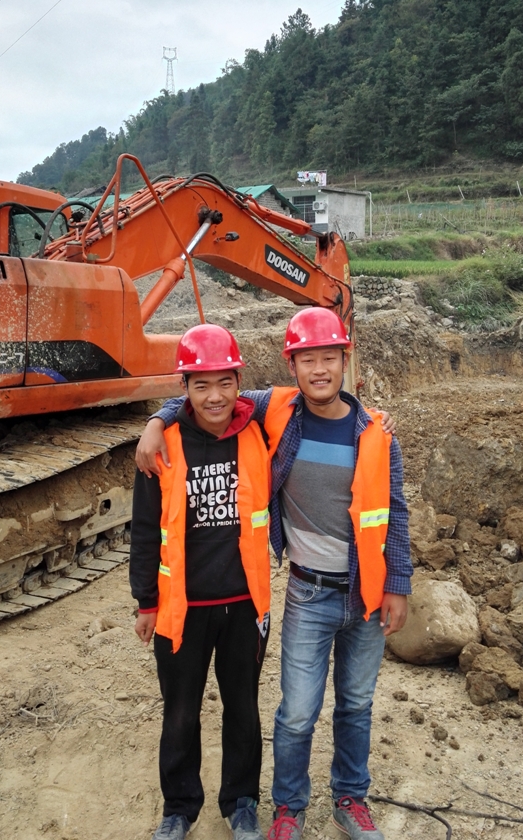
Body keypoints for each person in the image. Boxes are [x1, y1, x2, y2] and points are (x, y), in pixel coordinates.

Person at [137, 308, 412, 840]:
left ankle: (336, 799)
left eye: (328, 358)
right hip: (296, 593)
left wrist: (398, 584)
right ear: (291, 366)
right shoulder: (276, 411)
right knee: (285, 712)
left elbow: (393, 512)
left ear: (345, 359)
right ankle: (268, 808)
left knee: (350, 705)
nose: (319, 370)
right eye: (307, 360)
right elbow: (201, 397)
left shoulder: (374, 432)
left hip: (350, 595)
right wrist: (155, 422)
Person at [130, 323, 271, 840]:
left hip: (245, 604)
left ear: (239, 383)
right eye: (201, 385)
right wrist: (146, 600)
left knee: (243, 709)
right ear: (184, 388)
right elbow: (146, 528)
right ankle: (179, 807)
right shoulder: (163, 446)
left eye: (224, 383)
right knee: (180, 712)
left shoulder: (259, 431)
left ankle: (241, 802)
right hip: (181, 608)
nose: (214, 397)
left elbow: (312, 401)